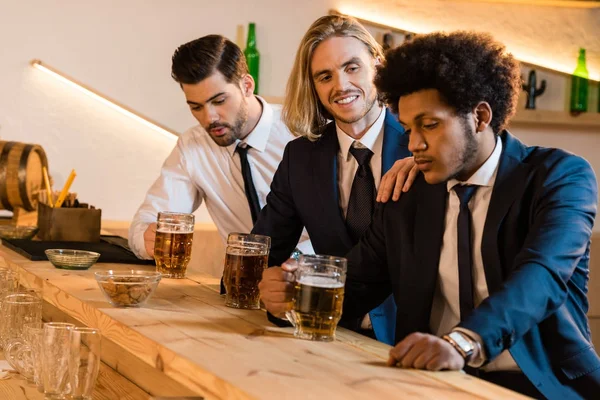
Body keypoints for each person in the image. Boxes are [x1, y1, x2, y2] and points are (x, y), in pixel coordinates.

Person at [260, 30, 600, 399]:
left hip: (538, 385)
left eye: (430, 125)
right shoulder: (406, 192)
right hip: (428, 384)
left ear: (481, 116)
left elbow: (541, 276)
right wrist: (292, 299)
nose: (413, 144)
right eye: (408, 128)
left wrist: (461, 344)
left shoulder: (558, 176)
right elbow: (355, 285)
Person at [253, 14, 417, 345]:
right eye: (325, 76)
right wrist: (272, 287)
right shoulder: (300, 157)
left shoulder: (423, 145)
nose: (340, 85)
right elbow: (264, 252)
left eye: (352, 67)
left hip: (415, 341)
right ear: (312, 87)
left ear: (378, 66)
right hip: (331, 334)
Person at [129, 35, 314, 270]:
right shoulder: (193, 146)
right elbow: (145, 222)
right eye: (196, 107)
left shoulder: (302, 131)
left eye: (219, 101)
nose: (209, 118)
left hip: (310, 280)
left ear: (246, 85)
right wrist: (147, 237)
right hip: (240, 288)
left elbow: (340, 229)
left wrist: (296, 260)